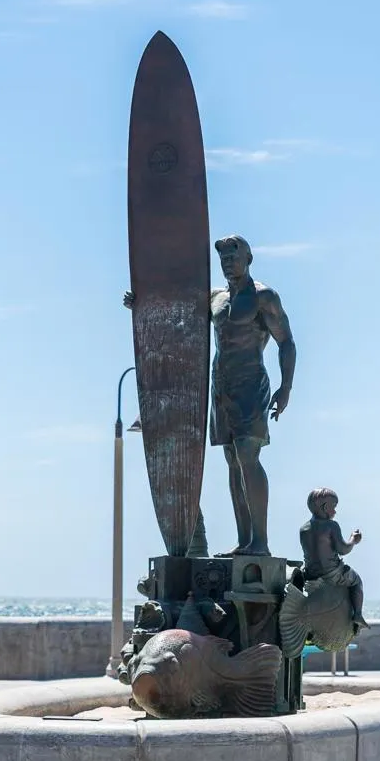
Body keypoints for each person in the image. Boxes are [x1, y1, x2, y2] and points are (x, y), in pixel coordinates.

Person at [124, 233, 296, 557]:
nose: (228, 262)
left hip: (251, 384)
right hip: (221, 386)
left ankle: (260, 542)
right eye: (224, 258)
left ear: (248, 259)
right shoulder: (215, 298)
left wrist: (285, 387)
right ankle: (245, 541)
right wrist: (141, 300)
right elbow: (174, 309)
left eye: (234, 256)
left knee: (248, 455)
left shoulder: (264, 297)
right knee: (232, 461)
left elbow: (286, 341)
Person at [299, 487, 367, 631]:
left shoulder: (303, 529)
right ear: (325, 507)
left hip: (310, 574)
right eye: (333, 507)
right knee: (357, 581)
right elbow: (343, 549)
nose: (335, 511)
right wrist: (353, 540)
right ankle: (358, 615)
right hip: (332, 574)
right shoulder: (331, 526)